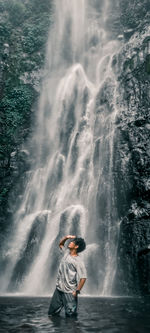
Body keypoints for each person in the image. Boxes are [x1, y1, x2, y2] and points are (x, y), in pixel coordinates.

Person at [48, 234, 87, 317]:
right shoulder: (66, 253)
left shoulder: (78, 261)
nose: (70, 242)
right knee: (52, 314)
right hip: (59, 289)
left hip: (69, 292)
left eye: (72, 242)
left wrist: (77, 291)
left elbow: (83, 277)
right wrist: (66, 237)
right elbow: (61, 244)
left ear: (76, 246)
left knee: (71, 317)